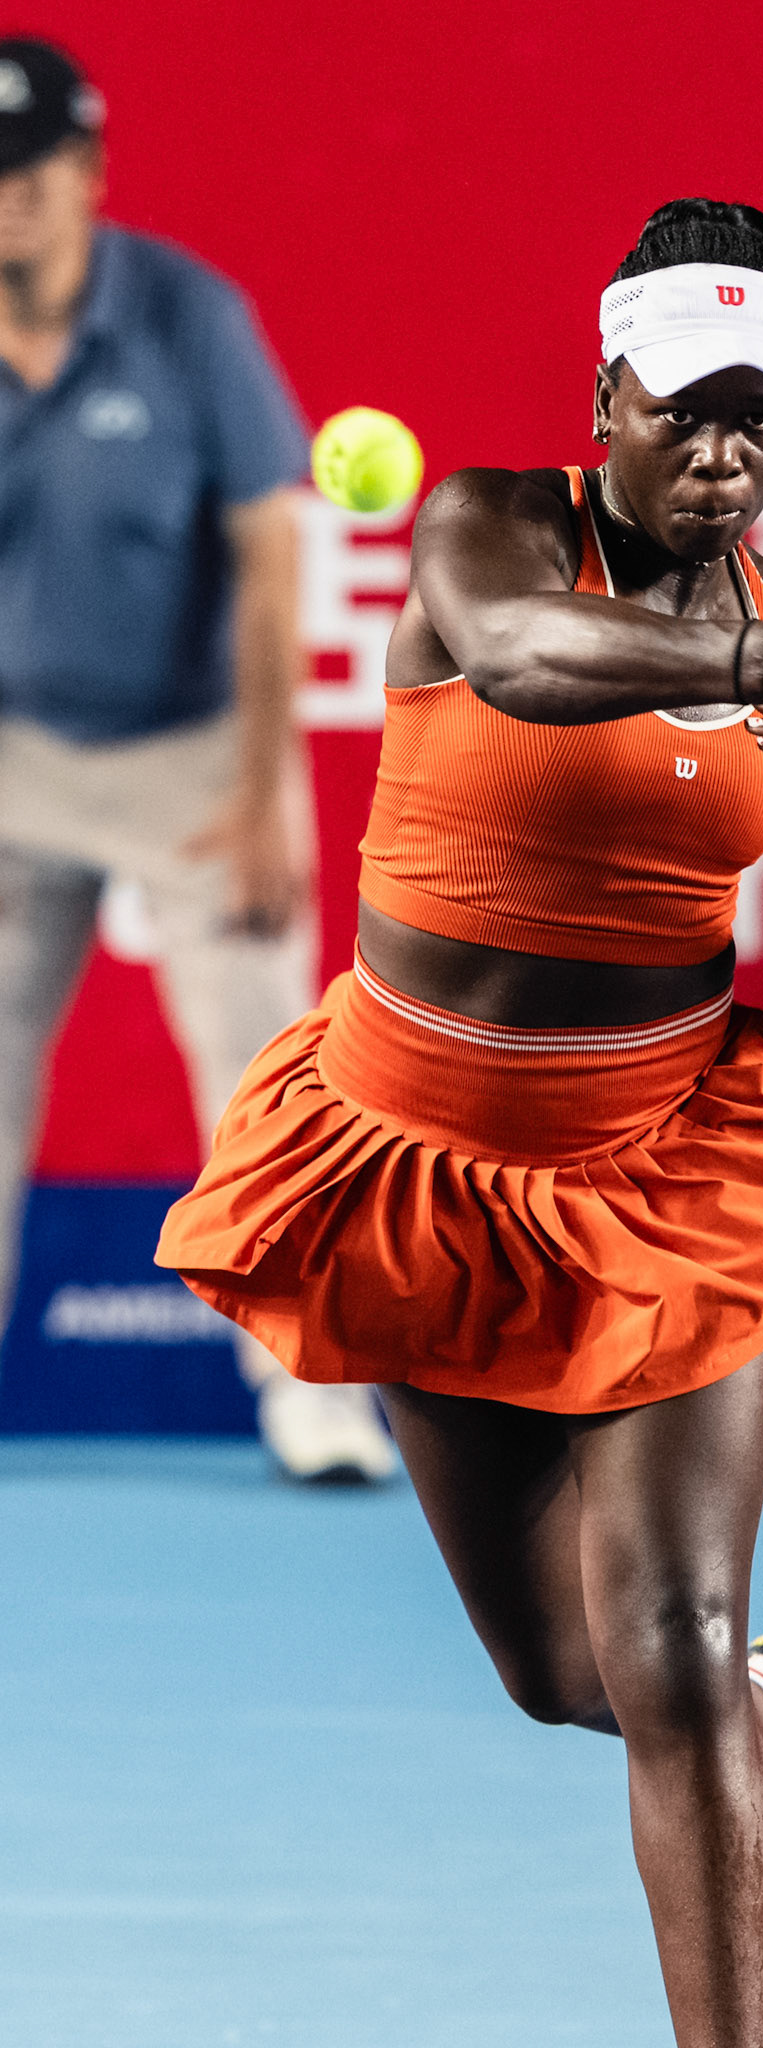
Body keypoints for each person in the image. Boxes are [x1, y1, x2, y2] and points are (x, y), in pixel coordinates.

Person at [158, 196, 763, 2043]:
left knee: (664, 1651)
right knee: (557, 1674)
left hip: (663, 1171)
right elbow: (520, 658)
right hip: (408, 1164)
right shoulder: (486, 527)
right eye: (681, 407)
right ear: (606, 395)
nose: (718, 450)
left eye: (757, 416)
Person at [0, 38, 394, 1480]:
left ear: (89, 176)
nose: (8, 201)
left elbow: (267, 559)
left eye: (33, 171)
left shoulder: (186, 319)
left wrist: (256, 793)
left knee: (260, 1077)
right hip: (10, 756)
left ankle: (314, 1396)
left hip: (192, 756)